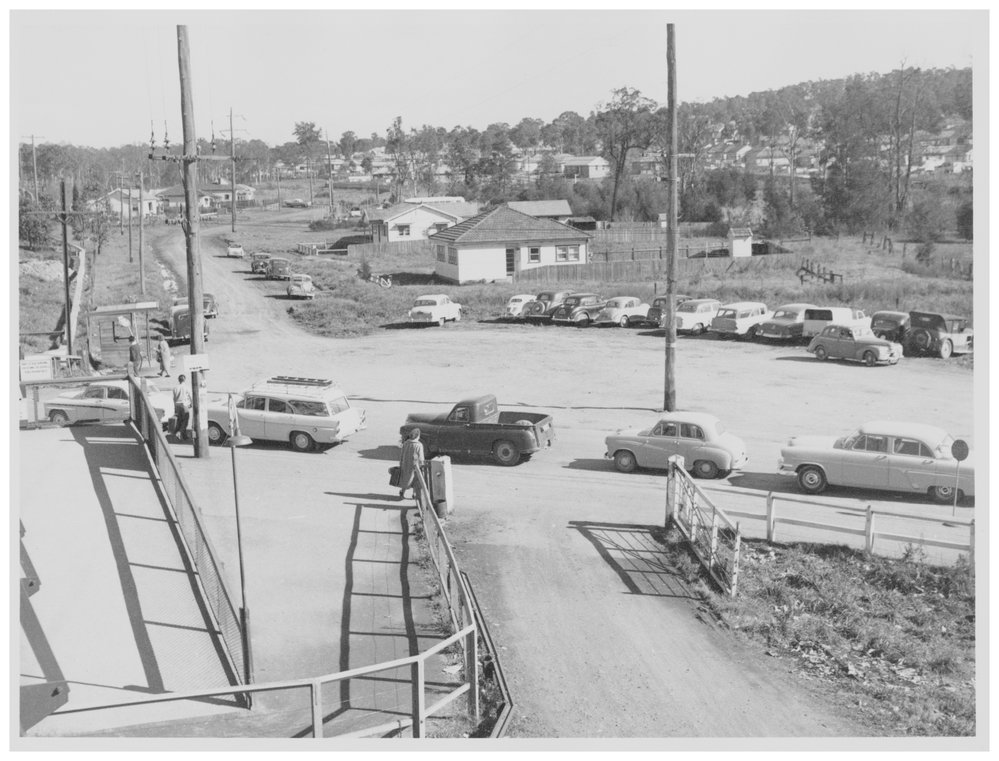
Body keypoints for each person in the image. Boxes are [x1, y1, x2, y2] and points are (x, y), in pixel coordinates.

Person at [398, 428, 425, 500]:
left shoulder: (406, 443)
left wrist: (400, 463)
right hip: (415, 465)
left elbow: (402, 454)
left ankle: (402, 492)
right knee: (415, 480)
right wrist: (422, 464)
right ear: (417, 436)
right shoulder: (419, 445)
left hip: (405, 464)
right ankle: (414, 494)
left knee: (406, 479)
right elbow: (421, 457)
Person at [172, 374, 193, 440]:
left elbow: (174, 399)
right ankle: (179, 433)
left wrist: (175, 408)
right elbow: (190, 396)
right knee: (185, 420)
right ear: (185, 380)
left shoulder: (175, 388)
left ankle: (184, 436)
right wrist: (191, 404)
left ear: (179, 380)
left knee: (180, 420)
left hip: (177, 405)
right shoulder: (186, 387)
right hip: (184, 405)